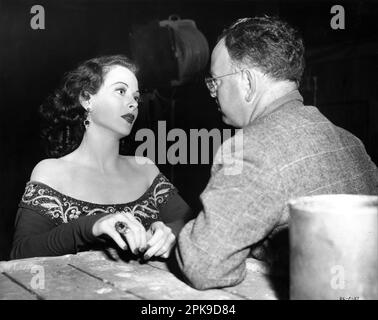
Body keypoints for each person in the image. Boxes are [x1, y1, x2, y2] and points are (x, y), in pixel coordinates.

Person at [174, 16, 378, 290]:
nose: (214, 95)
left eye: (216, 83)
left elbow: (203, 264)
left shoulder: (251, 148)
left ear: (246, 82)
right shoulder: (351, 143)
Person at [11, 55, 192, 260]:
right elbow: (22, 252)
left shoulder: (145, 168)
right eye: (121, 91)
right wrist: (93, 226)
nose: (133, 103)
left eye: (136, 96)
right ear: (87, 99)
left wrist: (169, 233)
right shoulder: (51, 172)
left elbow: (191, 223)